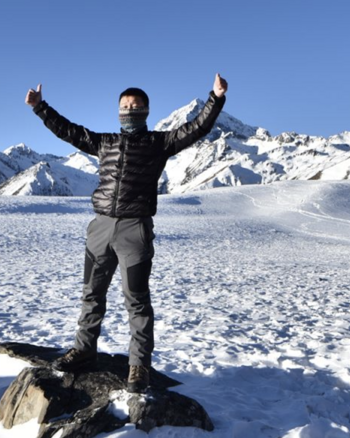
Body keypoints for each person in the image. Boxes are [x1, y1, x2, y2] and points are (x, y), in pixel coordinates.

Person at [25, 74, 228, 393]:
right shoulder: (104, 142)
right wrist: (41, 108)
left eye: (135, 106)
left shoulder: (160, 143)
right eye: (124, 106)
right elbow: (69, 131)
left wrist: (215, 98)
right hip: (100, 227)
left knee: (136, 301)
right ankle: (83, 350)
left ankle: (138, 367)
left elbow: (197, 128)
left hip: (135, 229)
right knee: (91, 293)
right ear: (118, 111)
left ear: (146, 110)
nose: (130, 110)